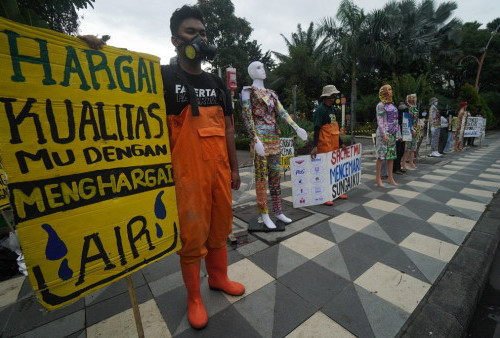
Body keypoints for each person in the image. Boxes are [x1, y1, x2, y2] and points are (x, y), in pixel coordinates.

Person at [81, 5, 245, 329]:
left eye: (203, 32)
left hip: (220, 171)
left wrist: (236, 170)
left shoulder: (217, 83)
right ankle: (194, 298)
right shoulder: (163, 78)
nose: (199, 38)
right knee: (193, 234)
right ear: (174, 40)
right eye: (191, 32)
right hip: (186, 174)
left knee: (220, 226)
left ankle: (218, 277)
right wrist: (91, 54)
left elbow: (228, 128)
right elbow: (117, 87)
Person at [241, 61, 307, 229]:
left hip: (274, 139)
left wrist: (296, 127)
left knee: (276, 177)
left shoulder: (271, 94)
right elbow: (247, 116)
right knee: (261, 178)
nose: (262, 69)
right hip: (261, 140)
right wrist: (255, 139)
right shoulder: (248, 92)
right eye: (258, 67)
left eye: (263, 67)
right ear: (250, 72)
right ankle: (264, 213)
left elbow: (282, 112)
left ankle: (278, 210)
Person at [310, 85, 347, 205]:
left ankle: (336, 191)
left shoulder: (333, 110)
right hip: (324, 144)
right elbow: (317, 129)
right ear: (326, 97)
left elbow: (335, 128)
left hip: (334, 143)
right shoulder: (320, 110)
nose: (335, 97)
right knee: (325, 170)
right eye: (333, 96)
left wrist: (341, 143)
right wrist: (315, 146)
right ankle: (325, 195)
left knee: (335, 169)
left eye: (335, 95)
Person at [375, 84, 398, 187]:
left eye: (391, 89)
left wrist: (397, 133)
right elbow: (380, 121)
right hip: (383, 133)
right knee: (381, 156)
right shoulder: (380, 105)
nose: (391, 91)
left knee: (391, 156)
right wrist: (384, 134)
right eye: (389, 89)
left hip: (392, 133)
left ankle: (390, 177)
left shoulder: (391, 105)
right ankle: (378, 178)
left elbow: (396, 120)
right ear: (384, 92)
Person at [404, 94, 419, 168]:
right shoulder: (408, 108)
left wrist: (416, 128)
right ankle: (403, 163)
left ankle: (411, 161)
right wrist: (412, 129)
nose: (416, 99)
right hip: (409, 129)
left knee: (413, 147)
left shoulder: (415, 108)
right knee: (406, 148)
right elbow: (407, 120)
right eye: (415, 97)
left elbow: (416, 120)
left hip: (415, 129)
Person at [393, 101, 407, 175]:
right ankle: (395, 168)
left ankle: (399, 167)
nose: (402, 106)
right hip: (398, 135)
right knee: (397, 152)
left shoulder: (405, 113)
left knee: (401, 151)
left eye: (403, 104)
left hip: (404, 134)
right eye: (400, 104)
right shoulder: (397, 114)